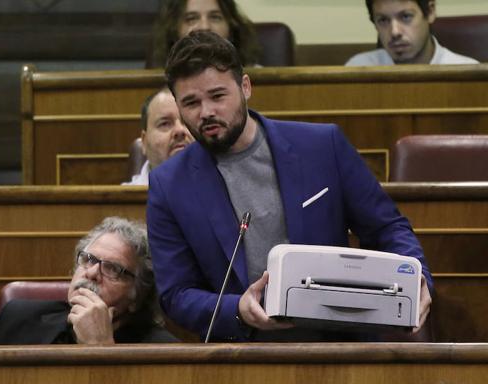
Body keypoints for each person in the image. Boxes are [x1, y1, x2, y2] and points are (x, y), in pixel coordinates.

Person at [146, 30, 433, 342]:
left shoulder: (323, 147)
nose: (206, 112)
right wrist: (237, 309)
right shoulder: (169, 184)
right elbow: (176, 294)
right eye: (191, 102)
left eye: (217, 96)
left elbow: (387, 228)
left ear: (245, 87)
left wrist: (417, 279)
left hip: (340, 342)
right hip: (246, 352)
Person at [0, 217, 178, 345]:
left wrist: (101, 349)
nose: (91, 273)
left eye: (112, 269)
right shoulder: (17, 318)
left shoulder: (161, 352)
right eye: (88, 259)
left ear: (137, 296)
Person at [346, 0, 478, 66]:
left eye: (405, 17)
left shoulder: (467, 73)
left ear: (430, 12)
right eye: (383, 20)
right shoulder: (358, 69)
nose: (395, 32)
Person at [149, 0, 260, 68]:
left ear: (231, 27)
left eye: (215, 17)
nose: (204, 26)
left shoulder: (263, 82)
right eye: (191, 18)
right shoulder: (157, 86)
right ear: (173, 31)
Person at [124, 87, 194, 185]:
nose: (180, 130)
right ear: (144, 141)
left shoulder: (221, 189)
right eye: (165, 124)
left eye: (186, 122)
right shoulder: (122, 198)